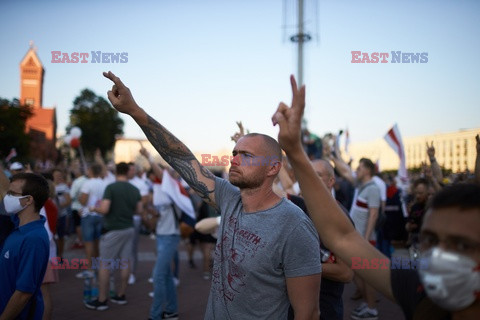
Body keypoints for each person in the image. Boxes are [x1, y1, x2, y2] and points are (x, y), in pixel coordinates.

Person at [103, 71, 322, 320]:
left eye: (247, 155)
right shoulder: (229, 199)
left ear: (273, 167)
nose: (234, 159)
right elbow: (180, 158)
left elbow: (308, 313)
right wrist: (136, 111)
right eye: (234, 152)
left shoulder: (294, 225)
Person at [272, 75, 480, 320]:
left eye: (461, 245)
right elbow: (342, 238)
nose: (440, 255)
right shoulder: (420, 292)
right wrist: (294, 150)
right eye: (430, 240)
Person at [84, 162, 143, 310]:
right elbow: (139, 210)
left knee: (104, 265)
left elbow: (104, 209)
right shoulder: (134, 189)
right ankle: (121, 295)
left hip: (112, 230)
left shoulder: (111, 187)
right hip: (129, 228)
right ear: (127, 172)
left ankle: (102, 300)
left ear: (116, 172)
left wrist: (92, 208)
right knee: (125, 262)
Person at [0, 173, 50, 319]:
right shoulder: (18, 225)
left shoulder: (34, 239)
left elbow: (23, 293)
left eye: (12, 194)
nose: (6, 198)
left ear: (28, 200)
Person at [77, 163, 106, 279]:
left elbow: (83, 201)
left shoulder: (87, 183)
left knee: (88, 243)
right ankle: (98, 266)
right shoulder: (104, 183)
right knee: (98, 242)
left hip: (88, 215)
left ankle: (90, 270)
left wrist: (79, 197)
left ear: (92, 171)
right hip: (100, 214)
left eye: (88, 170)